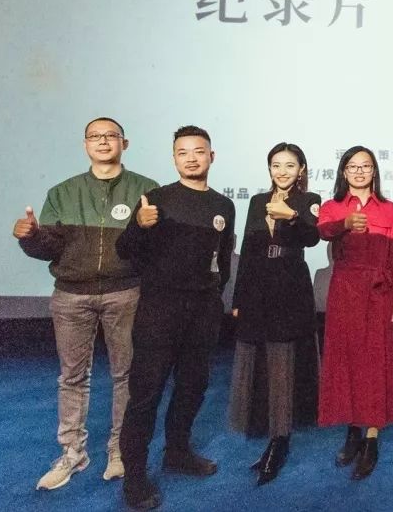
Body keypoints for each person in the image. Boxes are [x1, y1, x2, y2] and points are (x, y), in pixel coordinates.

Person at [14, 117, 157, 490]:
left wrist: (144, 227)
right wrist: (30, 237)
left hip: (126, 292)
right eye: (95, 136)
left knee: (126, 374)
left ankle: (120, 451)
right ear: (85, 145)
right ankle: (72, 453)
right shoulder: (63, 192)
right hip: (71, 296)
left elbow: (156, 249)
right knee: (72, 377)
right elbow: (48, 248)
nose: (103, 141)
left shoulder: (147, 189)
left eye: (111, 135)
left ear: (125, 143)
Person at [116, 126, 235, 510]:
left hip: (203, 310)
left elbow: (223, 259)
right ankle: (135, 476)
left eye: (198, 151)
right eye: (183, 152)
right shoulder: (156, 200)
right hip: (160, 308)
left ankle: (177, 452)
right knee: (146, 392)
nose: (191, 158)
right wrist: (139, 224)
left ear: (211, 156)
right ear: (173, 158)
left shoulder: (223, 205)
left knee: (193, 386)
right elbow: (124, 249)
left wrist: (213, 298)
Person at [227, 143, 322, 485]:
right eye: (276, 165)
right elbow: (248, 249)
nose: (282, 171)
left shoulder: (309, 201)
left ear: (301, 169)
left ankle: (280, 439)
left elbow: (312, 238)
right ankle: (266, 427)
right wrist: (238, 296)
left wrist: (291, 217)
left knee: (283, 361)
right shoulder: (256, 201)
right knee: (257, 361)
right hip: (256, 287)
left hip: (290, 285)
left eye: (289, 165)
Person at [316, 146, 393, 481]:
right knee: (347, 362)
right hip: (345, 293)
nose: (359, 172)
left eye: (365, 166)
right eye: (352, 166)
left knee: (375, 365)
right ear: (344, 172)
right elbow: (322, 231)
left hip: (379, 295)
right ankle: (352, 430)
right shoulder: (332, 206)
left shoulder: (388, 208)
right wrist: (345, 223)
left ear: (374, 171)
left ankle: (371, 438)